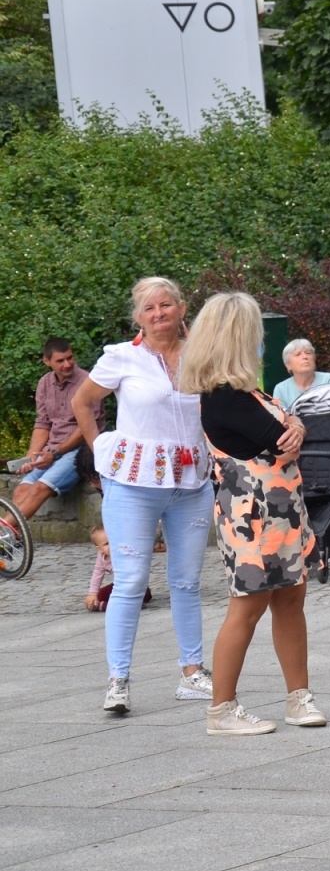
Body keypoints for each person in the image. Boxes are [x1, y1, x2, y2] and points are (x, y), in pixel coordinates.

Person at [180, 291, 327, 736]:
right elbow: (281, 438)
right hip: (253, 514)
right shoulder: (225, 397)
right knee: (246, 608)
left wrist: (296, 425)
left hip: (280, 512)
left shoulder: (247, 392)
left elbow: (290, 431)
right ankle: (221, 709)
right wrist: (295, 425)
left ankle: (299, 697)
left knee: (290, 601)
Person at [71, 277, 214, 715]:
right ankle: (118, 679)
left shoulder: (202, 354)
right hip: (134, 485)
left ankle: (192, 672)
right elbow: (83, 403)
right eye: (149, 308)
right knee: (131, 580)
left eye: (165, 305)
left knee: (187, 581)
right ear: (138, 316)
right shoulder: (122, 357)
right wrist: (100, 448)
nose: (158, 314)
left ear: (181, 308)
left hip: (191, 483)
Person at [9, 338, 102, 524]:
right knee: (21, 490)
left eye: (70, 358)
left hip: (80, 450)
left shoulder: (88, 382)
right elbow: (42, 424)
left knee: (38, 489)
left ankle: (3, 533)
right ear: (47, 361)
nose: (67, 364)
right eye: (60, 360)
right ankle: (11, 536)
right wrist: (31, 457)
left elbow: (86, 427)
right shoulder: (44, 383)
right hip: (51, 450)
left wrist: (55, 453)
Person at [270, 339, 330, 410]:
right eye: (298, 354)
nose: (305, 357)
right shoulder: (281, 389)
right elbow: (281, 415)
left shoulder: (328, 380)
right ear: (288, 365)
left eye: (308, 353)